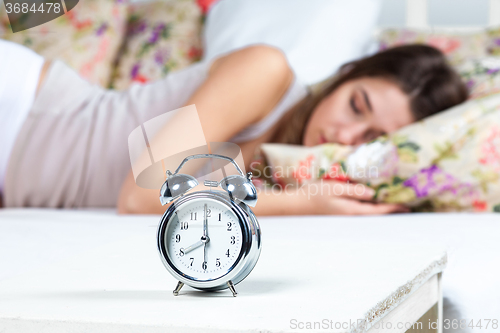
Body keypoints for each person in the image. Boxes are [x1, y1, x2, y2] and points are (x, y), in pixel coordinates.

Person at [0, 39, 468, 215]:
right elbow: (141, 194)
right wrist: (306, 206)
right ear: (346, 75)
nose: (345, 136)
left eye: (372, 139)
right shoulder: (267, 71)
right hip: (21, 109)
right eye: (356, 105)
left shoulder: (295, 168)